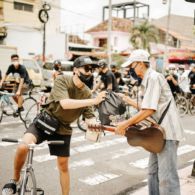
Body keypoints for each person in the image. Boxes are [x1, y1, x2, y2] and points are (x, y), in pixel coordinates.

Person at [2, 56, 106, 195]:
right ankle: (15, 180)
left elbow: (89, 117)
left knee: (63, 166)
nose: (89, 72)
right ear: (75, 70)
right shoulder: (62, 79)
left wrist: (95, 124)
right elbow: (65, 103)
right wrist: (93, 101)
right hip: (45, 122)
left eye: (92, 70)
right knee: (23, 146)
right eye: (86, 68)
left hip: (63, 129)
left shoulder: (87, 92)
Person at [116, 49, 184, 195]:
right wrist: (129, 101)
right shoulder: (146, 81)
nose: (130, 70)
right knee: (153, 173)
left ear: (141, 64)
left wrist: (125, 124)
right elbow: (148, 107)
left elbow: (149, 110)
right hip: (157, 133)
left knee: (167, 177)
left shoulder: (153, 77)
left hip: (168, 133)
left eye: (131, 66)